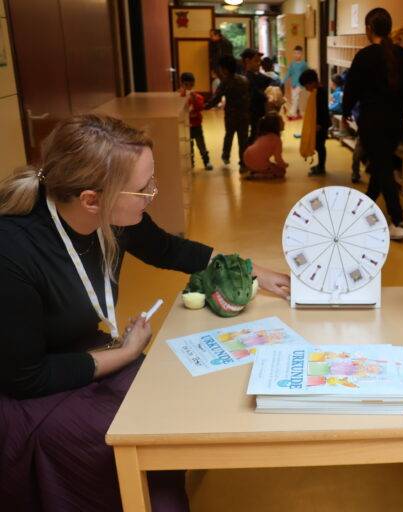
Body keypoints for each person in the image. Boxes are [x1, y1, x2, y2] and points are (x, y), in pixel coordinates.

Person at [0, 114, 290, 511]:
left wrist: (254, 270)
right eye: (143, 189)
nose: (152, 194)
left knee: (170, 405)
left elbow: (168, 249)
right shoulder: (12, 252)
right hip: (26, 392)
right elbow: (26, 377)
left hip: (79, 353)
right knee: (140, 435)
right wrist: (125, 351)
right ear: (92, 199)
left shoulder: (111, 216)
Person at [343, 8, 403, 241]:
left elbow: (351, 89)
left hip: (371, 122)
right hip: (396, 122)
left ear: (368, 29)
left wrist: (345, 111)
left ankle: (398, 220)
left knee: (383, 167)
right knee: (381, 165)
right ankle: (365, 208)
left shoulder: (364, 56)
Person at [206, 55, 251, 170]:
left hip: (231, 115)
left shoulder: (225, 82)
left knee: (229, 135)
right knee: (243, 139)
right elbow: (249, 97)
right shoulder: (244, 80)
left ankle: (226, 155)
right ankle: (243, 163)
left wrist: (205, 106)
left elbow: (216, 98)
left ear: (225, 69)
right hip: (244, 115)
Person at [178, 72, 213, 171]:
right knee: (188, 146)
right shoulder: (179, 97)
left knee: (201, 144)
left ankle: (206, 161)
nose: (188, 87)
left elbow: (200, 107)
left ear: (193, 84)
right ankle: (190, 163)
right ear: (182, 84)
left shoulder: (198, 97)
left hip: (196, 125)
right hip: (185, 125)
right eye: (186, 85)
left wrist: (194, 99)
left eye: (190, 85)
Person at [299, 69, 330, 177]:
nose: (306, 89)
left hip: (321, 124)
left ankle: (321, 167)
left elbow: (321, 110)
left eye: (306, 86)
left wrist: (319, 124)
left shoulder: (320, 92)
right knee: (318, 145)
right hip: (320, 124)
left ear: (312, 82)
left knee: (319, 145)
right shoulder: (317, 91)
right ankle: (320, 165)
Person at [243, 113, 289, 180]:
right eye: (281, 121)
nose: (284, 122)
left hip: (246, 158)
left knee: (271, 166)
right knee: (281, 172)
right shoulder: (276, 140)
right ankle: (258, 175)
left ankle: (256, 170)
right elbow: (278, 158)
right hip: (257, 161)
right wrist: (283, 165)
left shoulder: (262, 135)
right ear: (276, 126)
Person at [240, 48, 271, 143]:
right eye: (256, 61)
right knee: (255, 134)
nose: (259, 63)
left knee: (257, 133)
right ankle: (251, 155)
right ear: (247, 61)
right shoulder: (247, 76)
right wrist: (266, 97)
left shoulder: (254, 74)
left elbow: (267, 80)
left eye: (259, 61)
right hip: (253, 111)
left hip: (257, 110)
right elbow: (255, 92)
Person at [285, 45, 309, 120]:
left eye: (298, 53)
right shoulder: (292, 63)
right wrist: (284, 80)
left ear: (301, 54)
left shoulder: (304, 64)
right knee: (294, 98)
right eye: (295, 53)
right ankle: (297, 112)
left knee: (295, 98)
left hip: (300, 84)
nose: (296, 55)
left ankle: (293, 113)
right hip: (293, 84)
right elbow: (289, 73)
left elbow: (308, 72)